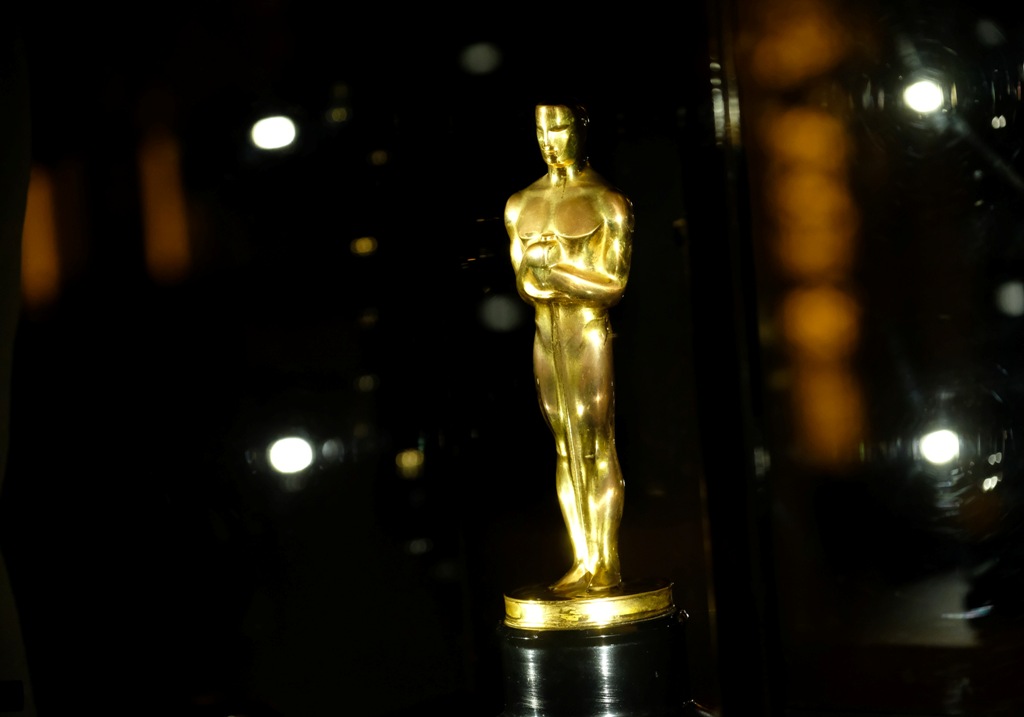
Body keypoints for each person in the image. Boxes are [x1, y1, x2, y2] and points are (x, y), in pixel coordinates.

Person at [505, 104, 634, 596]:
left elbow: (612, 284)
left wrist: (553, 274)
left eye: (558, 127)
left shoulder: (608, 202)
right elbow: (523, 285)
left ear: (581, 127)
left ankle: (606, 560)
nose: (548, 139)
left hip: (588, 332)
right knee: (564, 447)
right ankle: (582, 559)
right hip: (546, 335)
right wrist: (541, 281)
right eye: (540, 129)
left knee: (596, 443)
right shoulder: (520, 203)